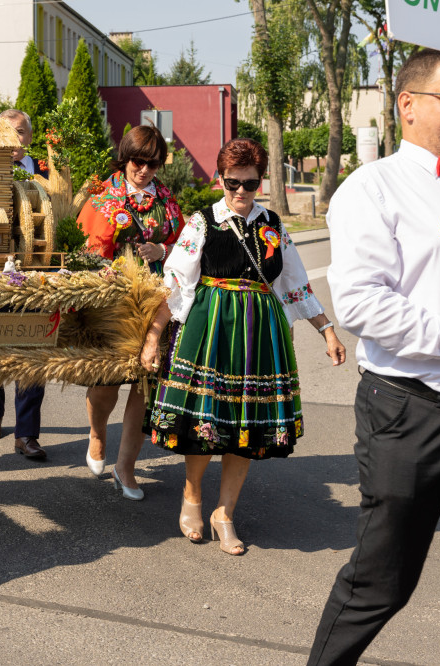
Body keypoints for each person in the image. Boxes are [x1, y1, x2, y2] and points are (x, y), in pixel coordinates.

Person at [308, 50, 440, 665]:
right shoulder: (372, 188)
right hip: (413, 415)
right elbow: (362, 306)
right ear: (408, 106)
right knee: (381, 585)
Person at [140, 137, 345, 553]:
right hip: (211, 328)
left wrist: (327, 330)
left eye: (248, 184)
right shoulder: (202, 222)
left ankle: (225, 513)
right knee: (206, 420)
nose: (239, 192)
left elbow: (293, 284)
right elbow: (177, 283)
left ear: (260, 182)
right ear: (220, 179)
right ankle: (193, 496)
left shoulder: (272, 224)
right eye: (232, 183)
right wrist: (154, 336)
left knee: (246, 429)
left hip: (259, 335)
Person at [76, 124, 185, 498]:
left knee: (145, 384)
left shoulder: (167, 200)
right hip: (114, 302)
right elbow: (87, 251)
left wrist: (164, 252)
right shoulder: (104, 197)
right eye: (138, 161)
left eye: (152, 164)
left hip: (157, 304)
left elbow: (187, 249)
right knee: (106, 383)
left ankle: (126, 468)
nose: (144, 170)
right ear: (125, 157)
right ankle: (97, 432)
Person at [0, 109, 48, 460]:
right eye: (7, 133)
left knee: (33, 347)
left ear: (29, 136)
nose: (15, 140)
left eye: (20, 132)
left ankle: (27, 433)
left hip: (32, 267)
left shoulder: (44, 171)